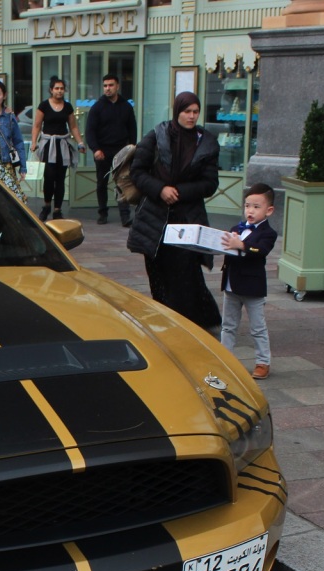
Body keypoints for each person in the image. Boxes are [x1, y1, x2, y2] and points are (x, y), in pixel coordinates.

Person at [126, 91, 222, 329]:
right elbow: (137, 171)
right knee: (159, 270)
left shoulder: (207, 142)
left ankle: (189, 322)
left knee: (186, 272)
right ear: (177, 111)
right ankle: (166, 317)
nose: (191, 116)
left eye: (195, 112)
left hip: (188, 216)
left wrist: (179, 191)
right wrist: (160, 189)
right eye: (187, 111)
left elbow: (210, 183)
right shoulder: (157, 135)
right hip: (155, 217)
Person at [219, 184, 279, 379]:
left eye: (256, 207)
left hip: (252, 287)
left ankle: (263, 362)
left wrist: (242, 245)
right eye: (247, 206)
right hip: (231, 284)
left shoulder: (268, 233)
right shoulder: (236, 228)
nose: (250, 211)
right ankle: (225, 358)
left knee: (257, 327)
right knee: (228, 325)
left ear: (269, 210)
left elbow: (260, 251)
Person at [85, 74, 138, 226]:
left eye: (111, 85)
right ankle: (102, 213)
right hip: (102, 151)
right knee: (102, 183)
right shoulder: (97, 107)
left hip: (121, 151)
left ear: (117, 86)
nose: (107, 88)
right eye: (105, 86)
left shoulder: (126, 106)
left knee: (123, 182)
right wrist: (95, 149)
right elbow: (90, 131)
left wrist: (131, 148)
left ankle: (125, 216)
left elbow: (132, 128)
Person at [31, 78, 84, 220]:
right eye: (56, 88)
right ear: (51, 90)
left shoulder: (67, 107)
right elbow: (37, 125)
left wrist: (80, 142)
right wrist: (34, 142)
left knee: (60, 179)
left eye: (61, 88)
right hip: (48, 145)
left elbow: (73, 126)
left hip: (62, 145)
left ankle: (57, 209)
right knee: (49, 177)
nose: (59, 91)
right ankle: (47, 205)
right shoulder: (44, 106)